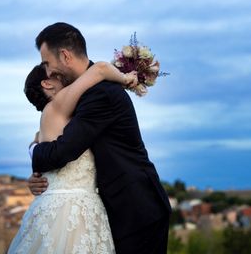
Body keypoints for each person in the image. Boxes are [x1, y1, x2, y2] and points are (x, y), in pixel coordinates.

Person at [28, 22, 172, 254]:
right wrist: (43, 178)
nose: (48, 71)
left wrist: (35, 152)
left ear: (65, 55)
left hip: (136, 209)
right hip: (117, 209)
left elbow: (63, 151)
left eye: (47, 63)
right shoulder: (84, 93)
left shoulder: (100, 94)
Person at [7, 61, 138, 253]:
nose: (61, 72)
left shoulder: (51, 119)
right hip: (68, 211)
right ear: (47, 84)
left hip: (76, 207)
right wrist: (126, 78)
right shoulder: (57, 106)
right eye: (54, 73)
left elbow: (38, 148)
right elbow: (100, 69)